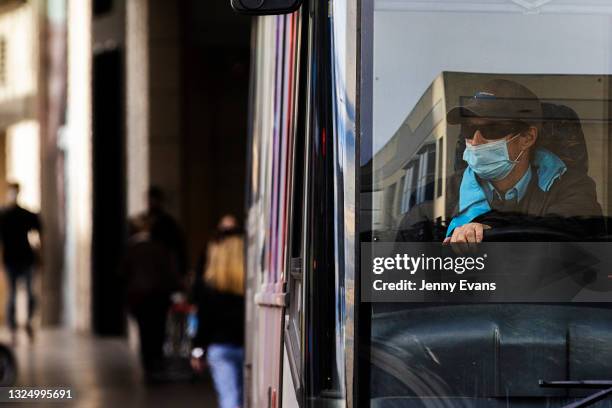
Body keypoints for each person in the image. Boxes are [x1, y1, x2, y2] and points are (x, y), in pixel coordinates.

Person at [444, 79, 603, 244]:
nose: (475, 141)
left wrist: (491, 227)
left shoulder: (573, 187)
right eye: (468, 129)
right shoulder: (449, 191)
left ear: (528, 137)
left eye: (492, 129)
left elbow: (569, 232)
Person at [191, 215, 245, 408]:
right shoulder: (248, 284)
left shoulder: (210, 286)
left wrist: (197, 350)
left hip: (220, 347)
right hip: (246, 345)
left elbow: (203, 320)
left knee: (230, 398)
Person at [121, 215, 180, 382]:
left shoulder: (130, 249)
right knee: (158, 330)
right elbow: (170, 273)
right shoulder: (160, 248)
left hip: (139, 298)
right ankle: (157, 362)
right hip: (159, 297)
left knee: (144, 331)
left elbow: (122, 273)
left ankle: (148, 365)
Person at [0, 182, 42, 342]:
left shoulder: (26, 214)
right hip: (10, 260)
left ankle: (29, 323)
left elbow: (38, 233)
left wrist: (40, 255)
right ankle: (12, 329)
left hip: (26, 258)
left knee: (31, 294)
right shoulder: (4, 215)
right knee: (12, 295)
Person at [143, 186, 187, 278]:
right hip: (149, 269)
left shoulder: (168, 223)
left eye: (154, 199)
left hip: (162, 268)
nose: (151, 202)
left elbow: (178, 247)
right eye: (150, 199)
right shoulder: (143, 222)